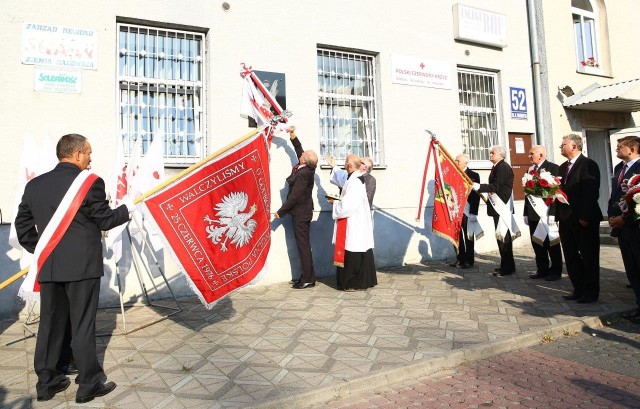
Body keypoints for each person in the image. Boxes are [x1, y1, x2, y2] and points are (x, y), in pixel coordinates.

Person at [15, 133, 133, 403]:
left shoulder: (36, 186)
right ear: (77, 153)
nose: (91, 159)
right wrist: (128, 209)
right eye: (88, 153)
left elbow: (22, 227)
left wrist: (44, 250)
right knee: (82, 324)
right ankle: (88, 383)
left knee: (50, 324)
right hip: (83, 268)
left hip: (51, 267)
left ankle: (48, 382)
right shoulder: (90, 183)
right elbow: (104, 220)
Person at [554, 134, 602, 303]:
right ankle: (578, 289)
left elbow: (591, 192)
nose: (561, 146)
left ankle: (590, 292)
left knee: (588, 257)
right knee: (571, 256)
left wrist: (584, 216)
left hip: (583, 220)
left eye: (564, 144)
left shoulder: (588, 164)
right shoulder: (562, 167)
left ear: (574, 146)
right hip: (566, 219)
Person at [274, 126, 318, 289]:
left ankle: (308, 279)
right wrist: (292, 136)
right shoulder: (306, 166)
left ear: (305, 160)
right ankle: (307, 275)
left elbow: (295, 196)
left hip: (301, 214)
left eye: (304, 155)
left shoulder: (304, 174)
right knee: (303, 245)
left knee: (303, 246)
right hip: (301, 212)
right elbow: (299, 149)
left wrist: (281, 211)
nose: (301, 154)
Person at [330, 154, 377, 291]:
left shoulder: (356, 181)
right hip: (352, 219)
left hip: (354, 221)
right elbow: (340, 176)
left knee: (353, 250)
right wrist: (334, 166)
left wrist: (335, 203)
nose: (344, 164)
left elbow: (347, 205)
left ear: (350, 166)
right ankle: (355, 281)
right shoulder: (351, 177)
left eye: (345, 162)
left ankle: (354, 283)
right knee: (353, 249)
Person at [607, 135, 640, 322]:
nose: (617, 150)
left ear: (632, 149)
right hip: (620, 226)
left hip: (634, 226)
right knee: (631, 268)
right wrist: (611, 213)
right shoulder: (620, 168)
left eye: (620, 147)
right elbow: (617, 194)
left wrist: (624, 219)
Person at [472, 145, 518, 276]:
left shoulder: (503, 167)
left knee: (504, 237)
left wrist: (479, 186)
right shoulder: (497, 166)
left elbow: (496, 186)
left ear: (501, 155)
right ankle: (506, 265)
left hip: (501, 207)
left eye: (493, 153)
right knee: (501, 237)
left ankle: (508, 268)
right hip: (496, 206)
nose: (490, 155)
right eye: (490, 153)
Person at [523, 145, 563, 281]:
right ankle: (542, 269)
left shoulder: (553, 168)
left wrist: (553, 213)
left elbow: (555, 193)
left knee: (552, 243)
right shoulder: (529, 170)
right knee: (537, 243)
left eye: (531, 153)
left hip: (546, 212)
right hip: (534, 212)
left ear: (541, 155)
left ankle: (556, 271)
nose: (529, 156)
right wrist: (525, 212)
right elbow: (527, 193)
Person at [450, 154, 480, 269]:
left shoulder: (473, 175)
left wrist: (474, 212)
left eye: (458, 161)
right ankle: (460, 258)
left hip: (467, 210)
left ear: (465, 163)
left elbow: (475, 196)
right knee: (456, 236)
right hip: (456, 210)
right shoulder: (453, 174)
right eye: (455, 160)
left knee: (468, 236)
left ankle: (469, 260)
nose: (456, 162)